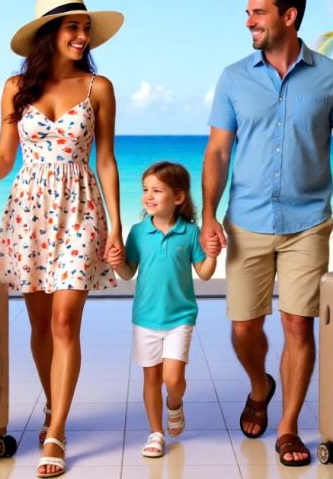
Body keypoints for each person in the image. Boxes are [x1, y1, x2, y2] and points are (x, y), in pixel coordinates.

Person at [200, 0, 333, 467]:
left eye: (257, 12)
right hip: (246, 222)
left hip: (308, 221)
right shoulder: (233, 77)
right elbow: (218, 151)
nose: (248, 22)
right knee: (244, 327)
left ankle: (288, 428)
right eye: (248, 13)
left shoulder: (332, 76)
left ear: (289, 16)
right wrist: (207, 214)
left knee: (298, 325)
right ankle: (260, 384)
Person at [0, 0, 124, 479]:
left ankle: (56, 431)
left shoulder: (100, 87)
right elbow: (6, 156)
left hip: (80, 208)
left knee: (66, 321)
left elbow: (106, 160)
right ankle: (55, 403)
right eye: (72, 27)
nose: (82, 36)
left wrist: (114, 223)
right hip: (28, 211)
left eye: (85, 27)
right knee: (38, 326)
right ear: (49, 34)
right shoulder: (14, 87)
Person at [107, 162, 219, 459]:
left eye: (157, 190)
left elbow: (205, 273)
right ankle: (156, 433)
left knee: (173, 379)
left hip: (181, 317)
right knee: (151, 380)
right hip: (145, 318)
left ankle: (175, 404)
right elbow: (128, 273)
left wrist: (213, 254)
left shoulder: (190, 232)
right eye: (145, 190)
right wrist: (117, 261)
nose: (149, 196)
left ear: (178, 197)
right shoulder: (138, 232)